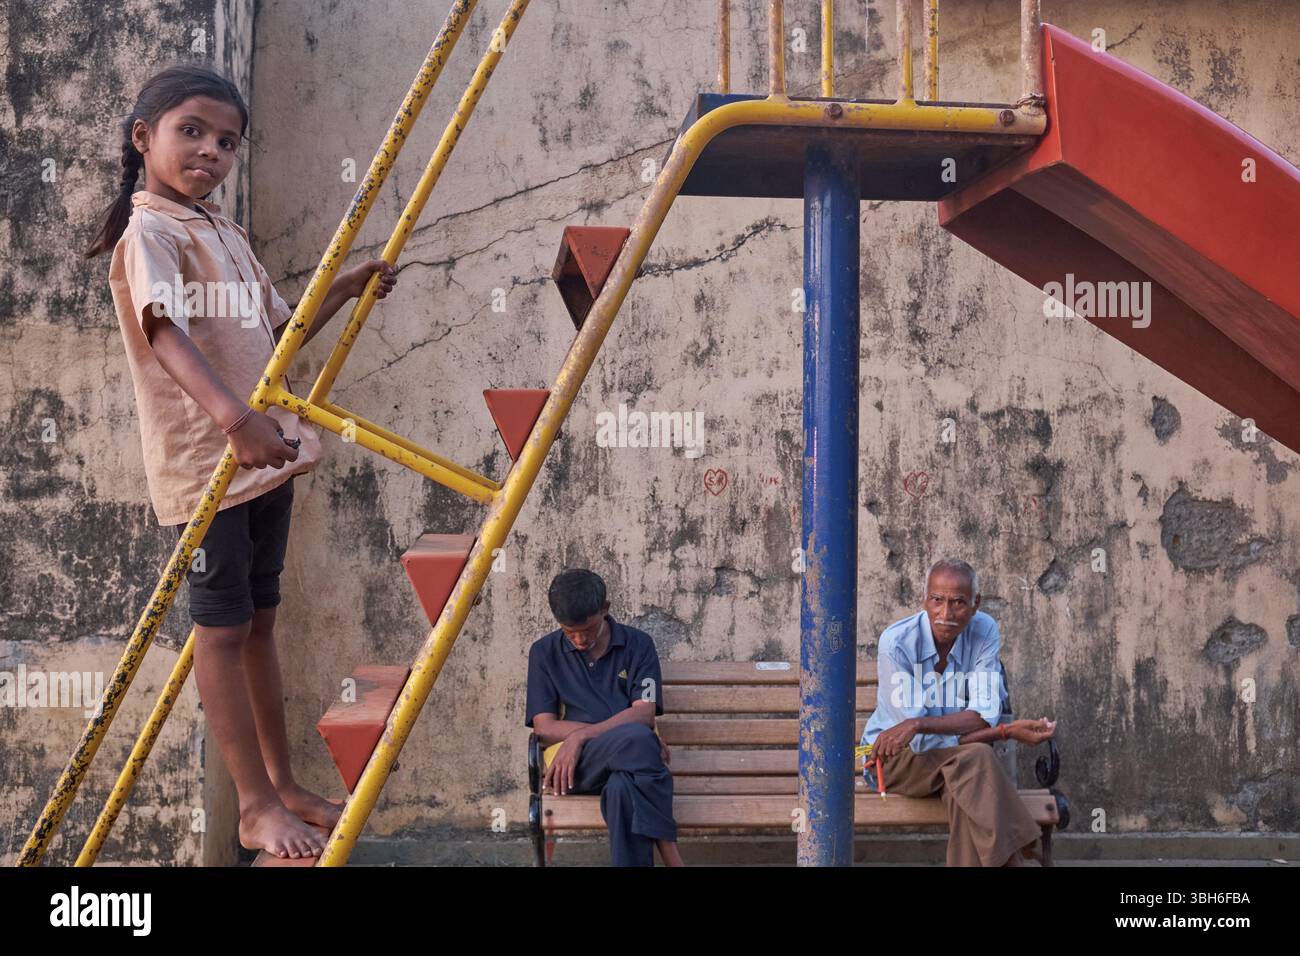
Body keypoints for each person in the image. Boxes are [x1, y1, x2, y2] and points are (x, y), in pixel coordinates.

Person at [87, 64, 398, 860]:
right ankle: (254, 807)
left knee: (260, 623)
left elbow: (279, 327)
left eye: (226, 141)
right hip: (210, 471)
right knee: (220, 635)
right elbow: (164, 333)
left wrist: (348, 287)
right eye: (190, 131)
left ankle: (284, 785)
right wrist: (234, 418)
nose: (211, 151)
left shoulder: (220, 231)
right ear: (143, 138)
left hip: (265, 462)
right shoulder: (148, 232)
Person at [861, 557, 1058, 866]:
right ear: (923, 599)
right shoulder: (896, 643)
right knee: (978, 757)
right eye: (937, 600)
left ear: (976, 603)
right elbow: (920, 743)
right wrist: (1004, 732)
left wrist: (919, 723)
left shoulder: (984, 630)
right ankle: (1016, 857)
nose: (946, 614)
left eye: (958, 603)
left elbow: (982, 713)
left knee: (966, 793)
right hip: (892, 761)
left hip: (954, 766)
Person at [525, 569, 683, 866]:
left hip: (632, 769)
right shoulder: (543, 653)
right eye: (569, 631)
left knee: (624, 789)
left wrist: (580, 735)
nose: (579, 639)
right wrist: (621, 733)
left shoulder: (639, 645)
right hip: (572, 769)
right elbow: (544, 727)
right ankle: (672, 856)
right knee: (639, 739)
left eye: (588, 628)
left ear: (605, 609)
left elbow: (645, 711)